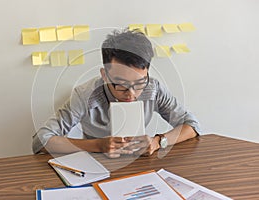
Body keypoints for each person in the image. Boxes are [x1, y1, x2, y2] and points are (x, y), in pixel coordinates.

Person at [32, 29, 201, 158]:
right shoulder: (86, 94)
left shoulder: (153, 88)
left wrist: (158, 142)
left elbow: (192, 125)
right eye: (121, 85)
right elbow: (41, 140)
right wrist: (97, 145)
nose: (132, 93)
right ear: (104, 75)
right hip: (95, 165)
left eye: (140, 83)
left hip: (140, 165)